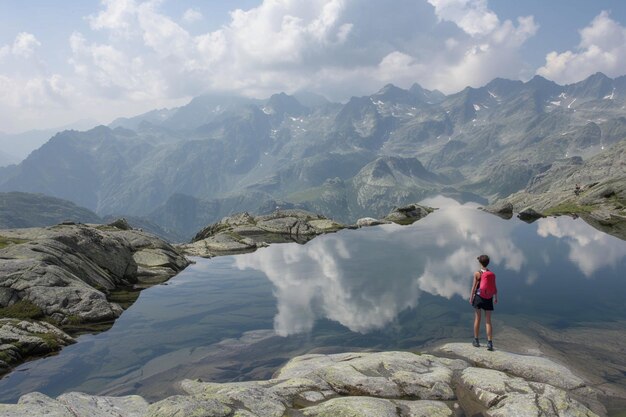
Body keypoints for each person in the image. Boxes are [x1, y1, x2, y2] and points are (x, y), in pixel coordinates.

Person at [469, 254, 498, 351]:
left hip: (478, 297)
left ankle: (476, 340)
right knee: (488, 321)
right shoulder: (491, 274)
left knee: (477, 318)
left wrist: (471, 297)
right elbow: (494, 286)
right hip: (488, 298)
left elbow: (474, 286)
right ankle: (490, 343)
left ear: (480, 263)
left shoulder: (477, 273)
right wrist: (495, 297)